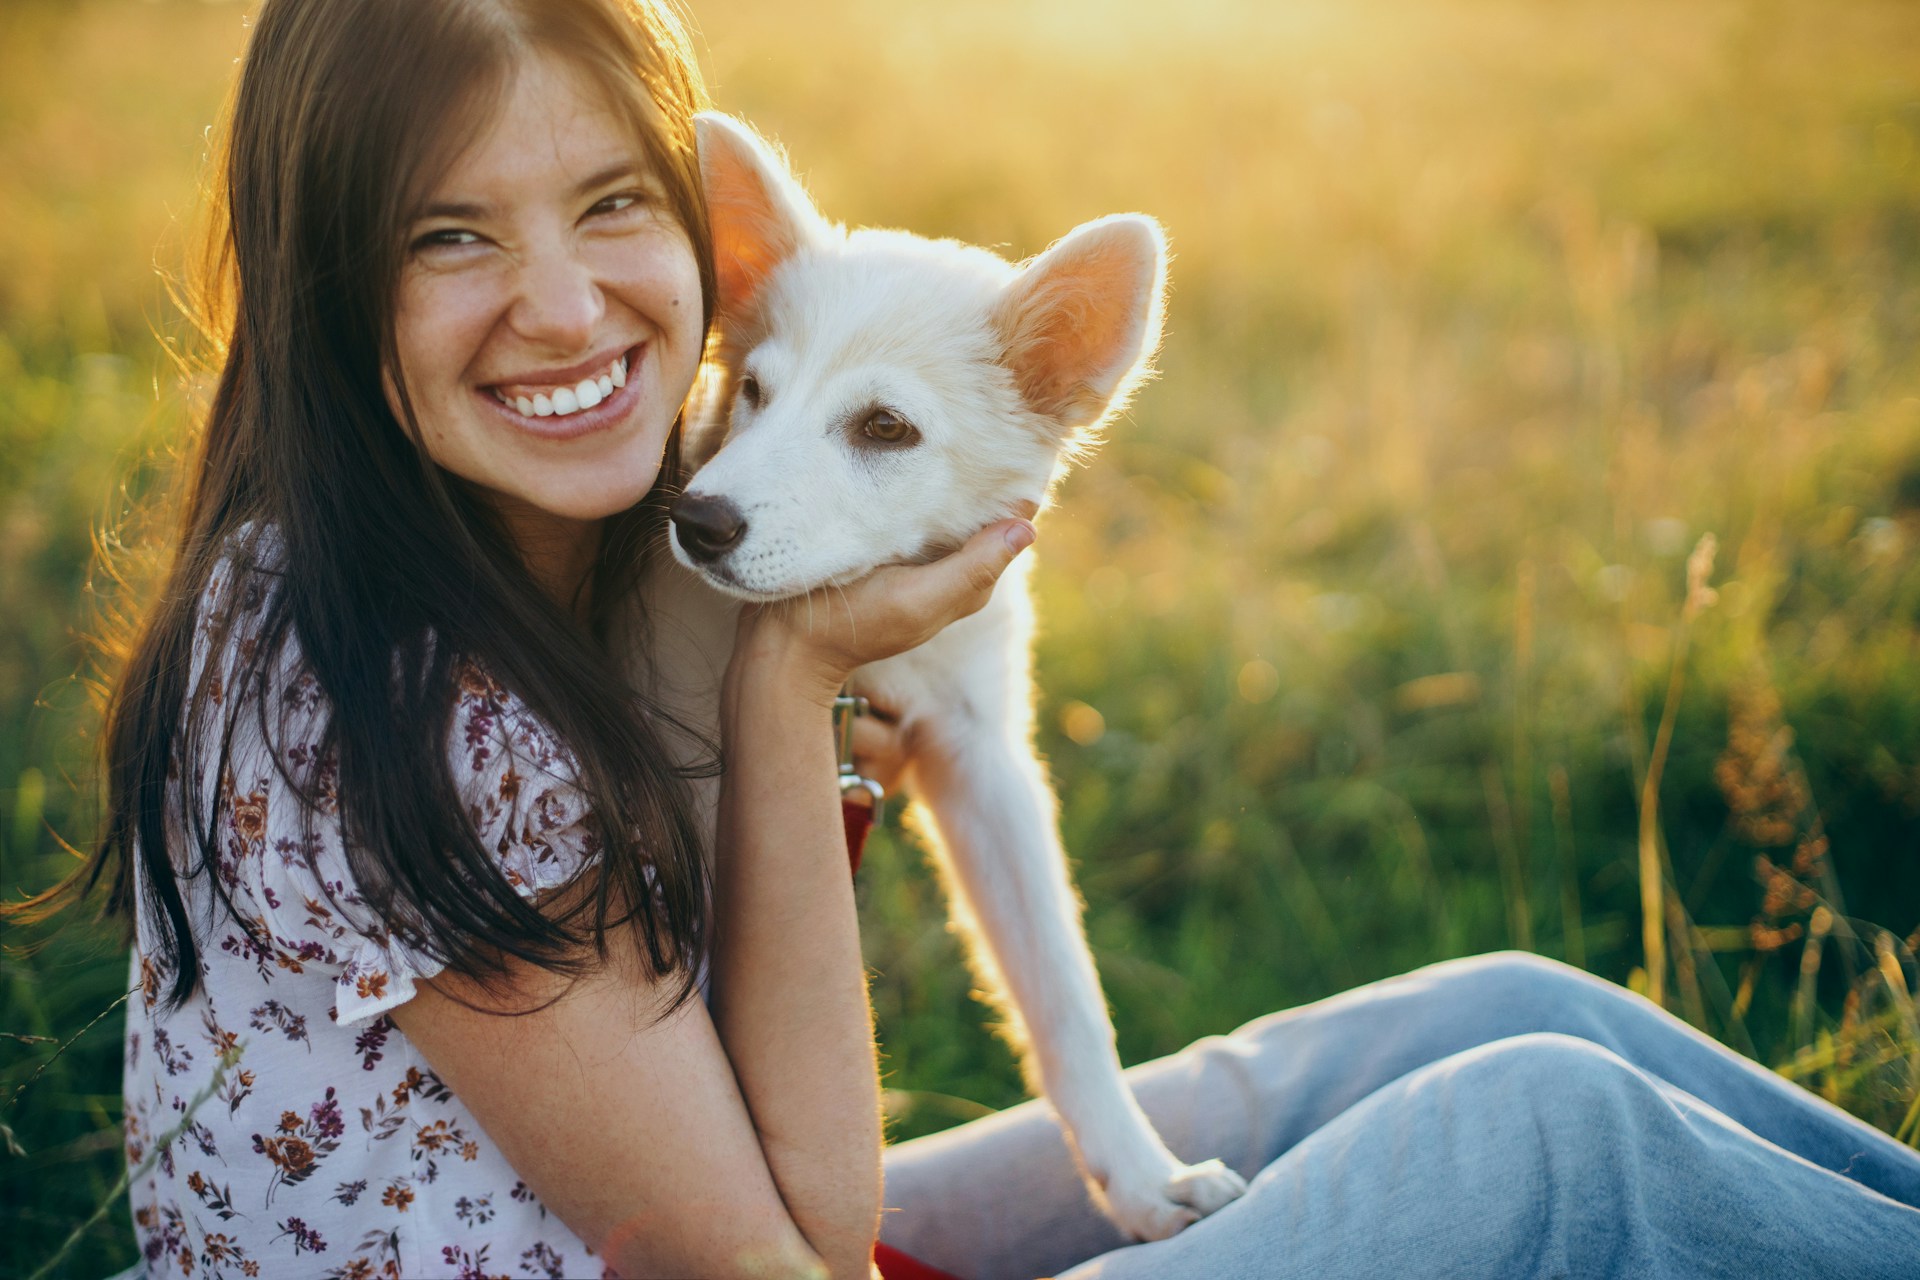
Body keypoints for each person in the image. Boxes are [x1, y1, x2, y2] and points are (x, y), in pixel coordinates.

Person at [21, 0, 1919, 1277]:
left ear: (700, 233)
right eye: (450, 237)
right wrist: (790, 682)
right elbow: (803, 1243)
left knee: (1513, 1004)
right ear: (322, 272)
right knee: (1561, 1133)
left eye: (615, 203)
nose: (564, 302)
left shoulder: (457, 546)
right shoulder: (386, 697)